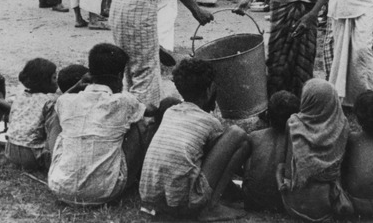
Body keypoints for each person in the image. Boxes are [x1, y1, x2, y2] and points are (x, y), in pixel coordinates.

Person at [140, 59, 251, 220]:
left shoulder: (170, 112)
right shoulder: (210, 122)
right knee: (238, 135)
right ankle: (211, 207)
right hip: (183, 204)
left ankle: (217, 198)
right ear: (209, 90)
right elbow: (220, 158)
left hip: (150, 201)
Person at [49, 44, 149, 205]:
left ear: (90, 72)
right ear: (119, 75)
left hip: (60, 187)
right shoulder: (124, 101)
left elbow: (58, 104)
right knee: (138, 123)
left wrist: (76, 86)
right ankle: (137, 177)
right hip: (104, 191)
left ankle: (56, 163)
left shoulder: (65, 100)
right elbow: (148, 111)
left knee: (57, 117)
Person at [276, 79, 350, 222]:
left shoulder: (293, 123)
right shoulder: (342, 125)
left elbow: (285, 162)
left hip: (292, 205)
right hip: (326, 206)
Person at [242, 91, 300, 211]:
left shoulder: (255, 136)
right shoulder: (298, 140)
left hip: (253, 199)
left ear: (268, 114)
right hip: (283, 201)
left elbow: (247, 170)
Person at [5, 58, 58, 170]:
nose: (57, 81)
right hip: (32, 155)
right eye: (54, 78)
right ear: (44, 81)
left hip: (10, 150)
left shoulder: (20, 96)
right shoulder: (49, 101)